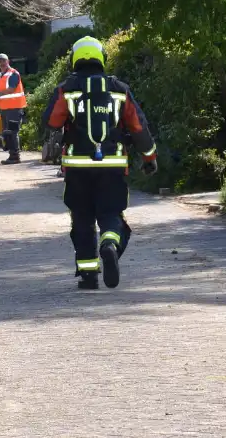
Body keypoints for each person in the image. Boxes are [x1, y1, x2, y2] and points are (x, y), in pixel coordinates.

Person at [43, 36, 157, 290]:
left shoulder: (67, 89)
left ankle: (88, 274)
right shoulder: (119, 89)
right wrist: (149, 157)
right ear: (101, 58)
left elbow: (50, 121)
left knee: (81, 218)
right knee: (111, 214)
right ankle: (110, 244)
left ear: (74, 58)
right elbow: (139, 127)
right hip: (112, 166)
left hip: (77, 167)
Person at [0, 53, 26, 165]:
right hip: (5, 108)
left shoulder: (14, 74)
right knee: (7, 132)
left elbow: (11, 89)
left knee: (13, 132)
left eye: (4, 61)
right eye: (0, 61)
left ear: (8, 62)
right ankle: (12, 155)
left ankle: (15, 156)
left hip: (15, 108)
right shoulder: (1, 76)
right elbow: (2, 93)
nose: (2, 63)